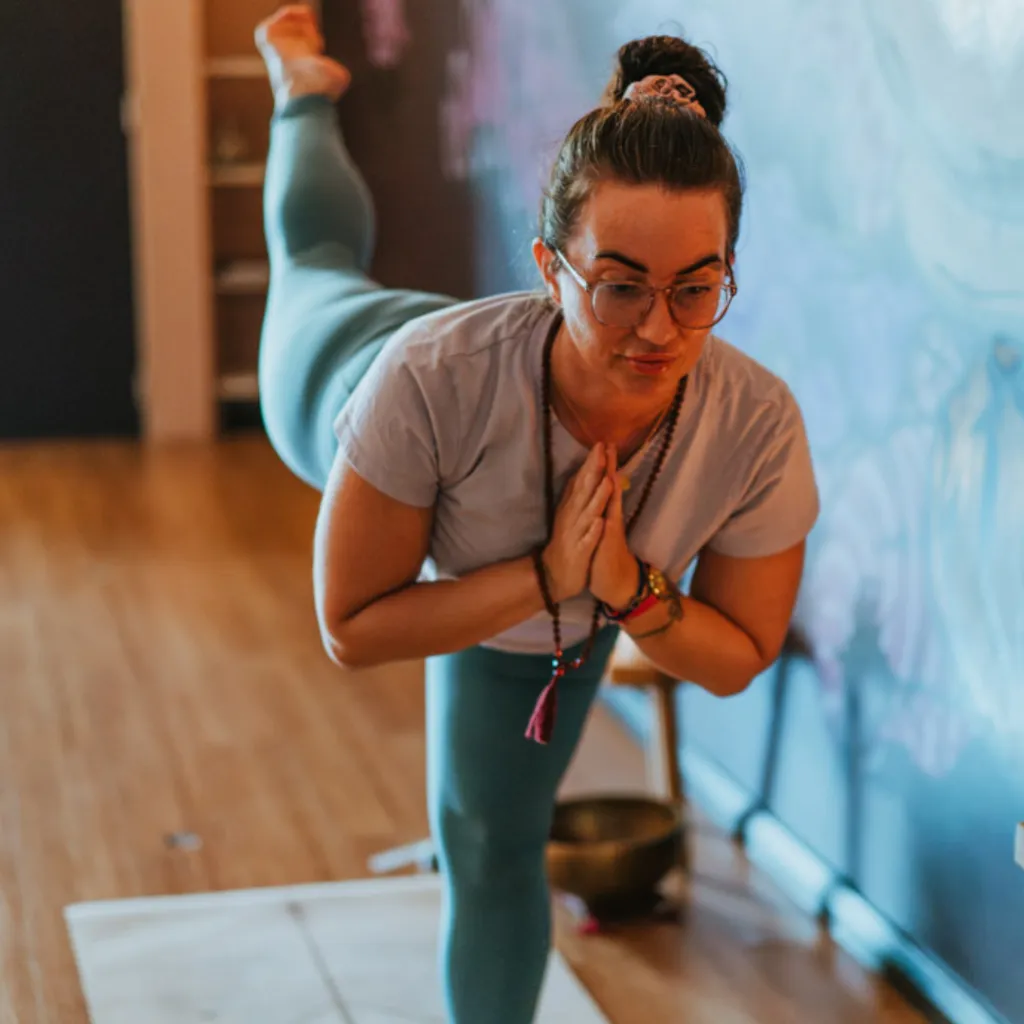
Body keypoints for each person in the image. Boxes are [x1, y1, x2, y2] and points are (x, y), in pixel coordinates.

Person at [254, 5, 819, 1022]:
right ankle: (303, 94)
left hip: (565, 591)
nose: (658, 328)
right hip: (352, 377)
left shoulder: (756, 422)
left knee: (490, 839)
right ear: (548, 264)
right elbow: (353, 624)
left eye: (697, 287)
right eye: (617, 286)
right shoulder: (422, 379)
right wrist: (547, 578)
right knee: (315, 264)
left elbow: (736, 654)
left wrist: (621, 589)